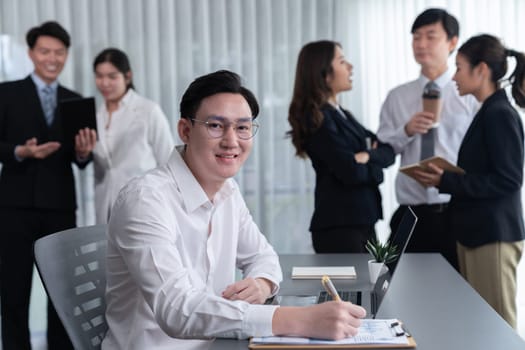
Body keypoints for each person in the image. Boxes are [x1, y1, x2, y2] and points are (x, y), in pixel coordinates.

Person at [101, 70, 366, 349]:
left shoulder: (227, 191)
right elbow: (177, 311)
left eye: (242, 127)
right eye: (216, 126)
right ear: (185, 130)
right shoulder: (146, 200)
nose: (232, 140)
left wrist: (262, 283)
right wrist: (298, 319)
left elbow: (263, 256)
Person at [412, 34, 525, 329]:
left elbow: (509, 180)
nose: (455, 77)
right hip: (478, 233)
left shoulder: (499, 113)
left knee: (498, 325)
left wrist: (446, 181)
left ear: (482, 70)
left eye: (460, 68)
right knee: (483, 323)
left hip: (493, 235)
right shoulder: (487, 111)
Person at [0, 21, 97, 349]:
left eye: (59, 52)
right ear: (31, 54)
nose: (52, 58)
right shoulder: (6, 93)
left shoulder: (76, 101)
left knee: (62, 294)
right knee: (13, 294)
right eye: (45, 51)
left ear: (66, 55)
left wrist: (84, 153)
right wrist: (20, 151)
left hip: (58, 208)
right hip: (13, 208)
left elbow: (80, 158)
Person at [377, 8, 479, 270]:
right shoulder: (397, 96)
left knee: (461, 295)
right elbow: (384, 150)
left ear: (452, 42)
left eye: (431, 36)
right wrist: (406, 130)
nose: (421, 44)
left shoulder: (469, 95)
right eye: (416, 37)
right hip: (410, 213)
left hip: (456, 210)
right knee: (396, 289)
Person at [287, 40, 395, 253]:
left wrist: (365, 156)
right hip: (340, 227)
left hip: (362, 221)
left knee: (373, 285)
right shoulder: (318, 119)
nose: (350, 67)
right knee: (352, 287)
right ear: (324, 72)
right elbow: (351, 172)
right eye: (343, 61)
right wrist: (373, 166)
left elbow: (388, 152)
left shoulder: (343, 115)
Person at [92, 48, 174, 224]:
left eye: (112, 76)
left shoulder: (148, 110)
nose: (104, 83)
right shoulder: (96, 116)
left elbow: (168, 162)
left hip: (142, 203)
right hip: (105, 203)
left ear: (127, 76)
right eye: (99, 76)